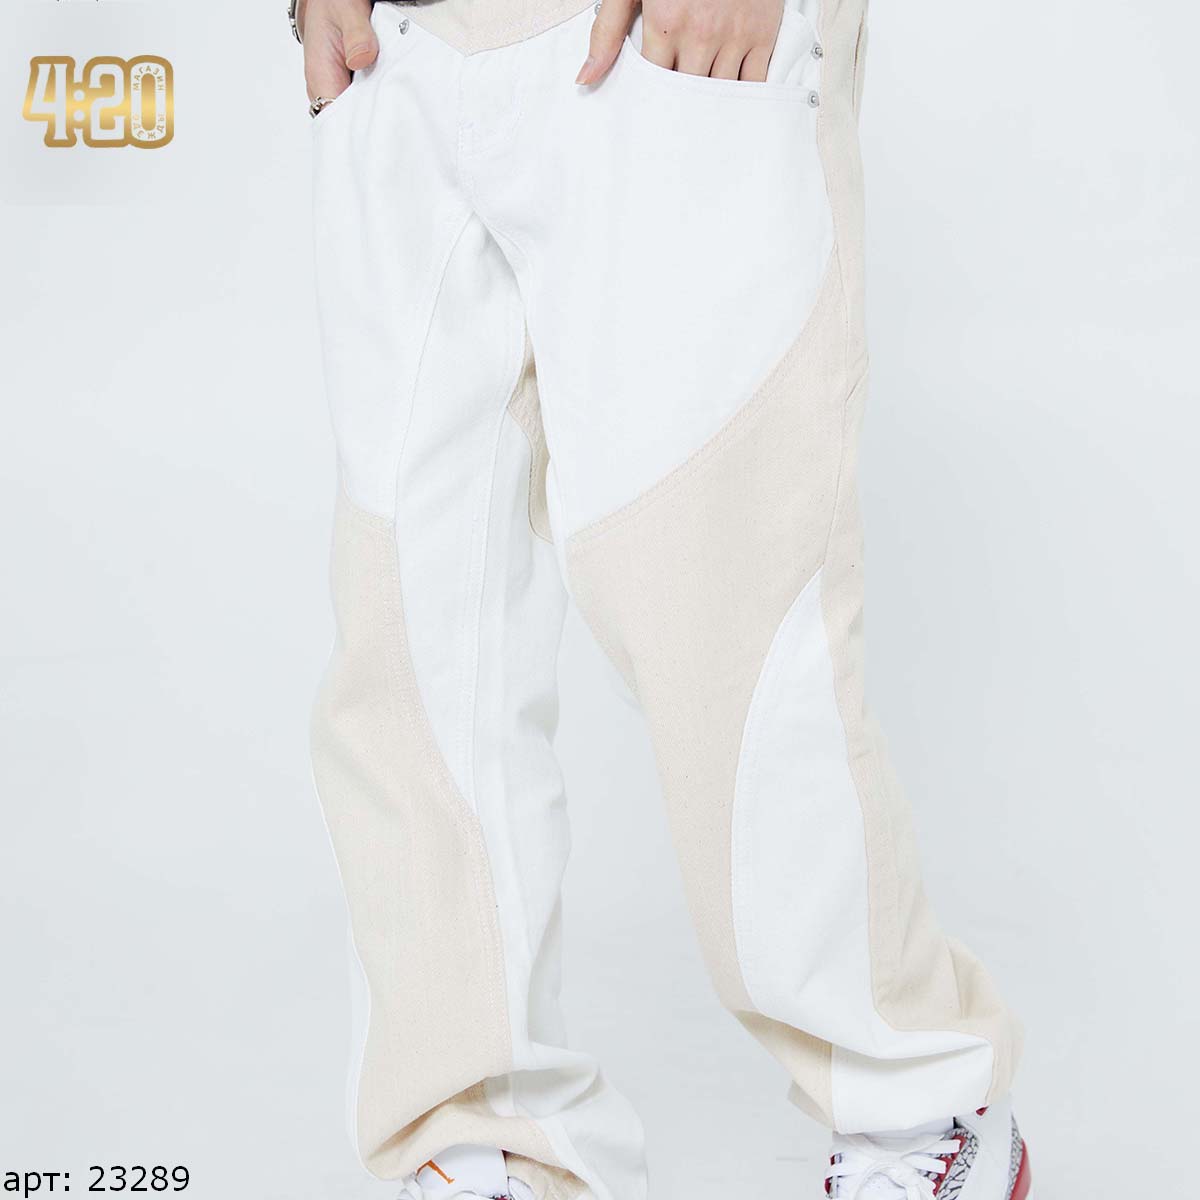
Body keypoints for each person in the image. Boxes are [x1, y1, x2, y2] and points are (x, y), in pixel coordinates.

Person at [297, 0, 1031, 1196]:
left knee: (721, 616)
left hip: (653, 41)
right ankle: (485, 1145)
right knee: (410, 641)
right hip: (401, 48)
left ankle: (918, 1111)